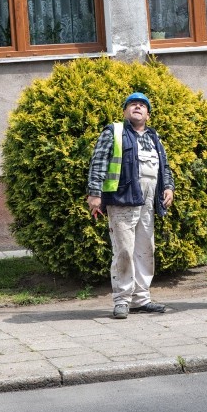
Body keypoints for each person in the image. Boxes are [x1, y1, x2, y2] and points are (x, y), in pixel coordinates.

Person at [87, 92, 175, 319]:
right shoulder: (113, 132)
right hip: (122, 200)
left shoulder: (154, 137)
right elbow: (98, 161)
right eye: (132, 104)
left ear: (148, 114)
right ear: (126, 111)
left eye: (142, 105)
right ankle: (122, 300)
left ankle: (141, 299)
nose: (137, 107)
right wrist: (95, 193)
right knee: (124, 251)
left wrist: (169, 187)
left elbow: (164, 166)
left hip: (148, 202)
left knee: (146, 250)